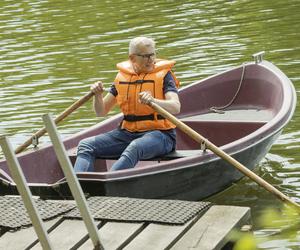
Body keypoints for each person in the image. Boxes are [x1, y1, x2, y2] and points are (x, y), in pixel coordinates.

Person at [74, 37, 181, 172]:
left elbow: (176, 107)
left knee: (135, 147)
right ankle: (79, 186)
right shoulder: (123, 76)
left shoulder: (164, 75)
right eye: (145, 56)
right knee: (85, 145)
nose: (150, 59)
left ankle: (108, 182)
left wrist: (154, 101)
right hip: (127, 133)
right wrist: (98, 95)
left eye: (152, 54)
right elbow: (101, 112)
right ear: (132, 58)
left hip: (161, 136)